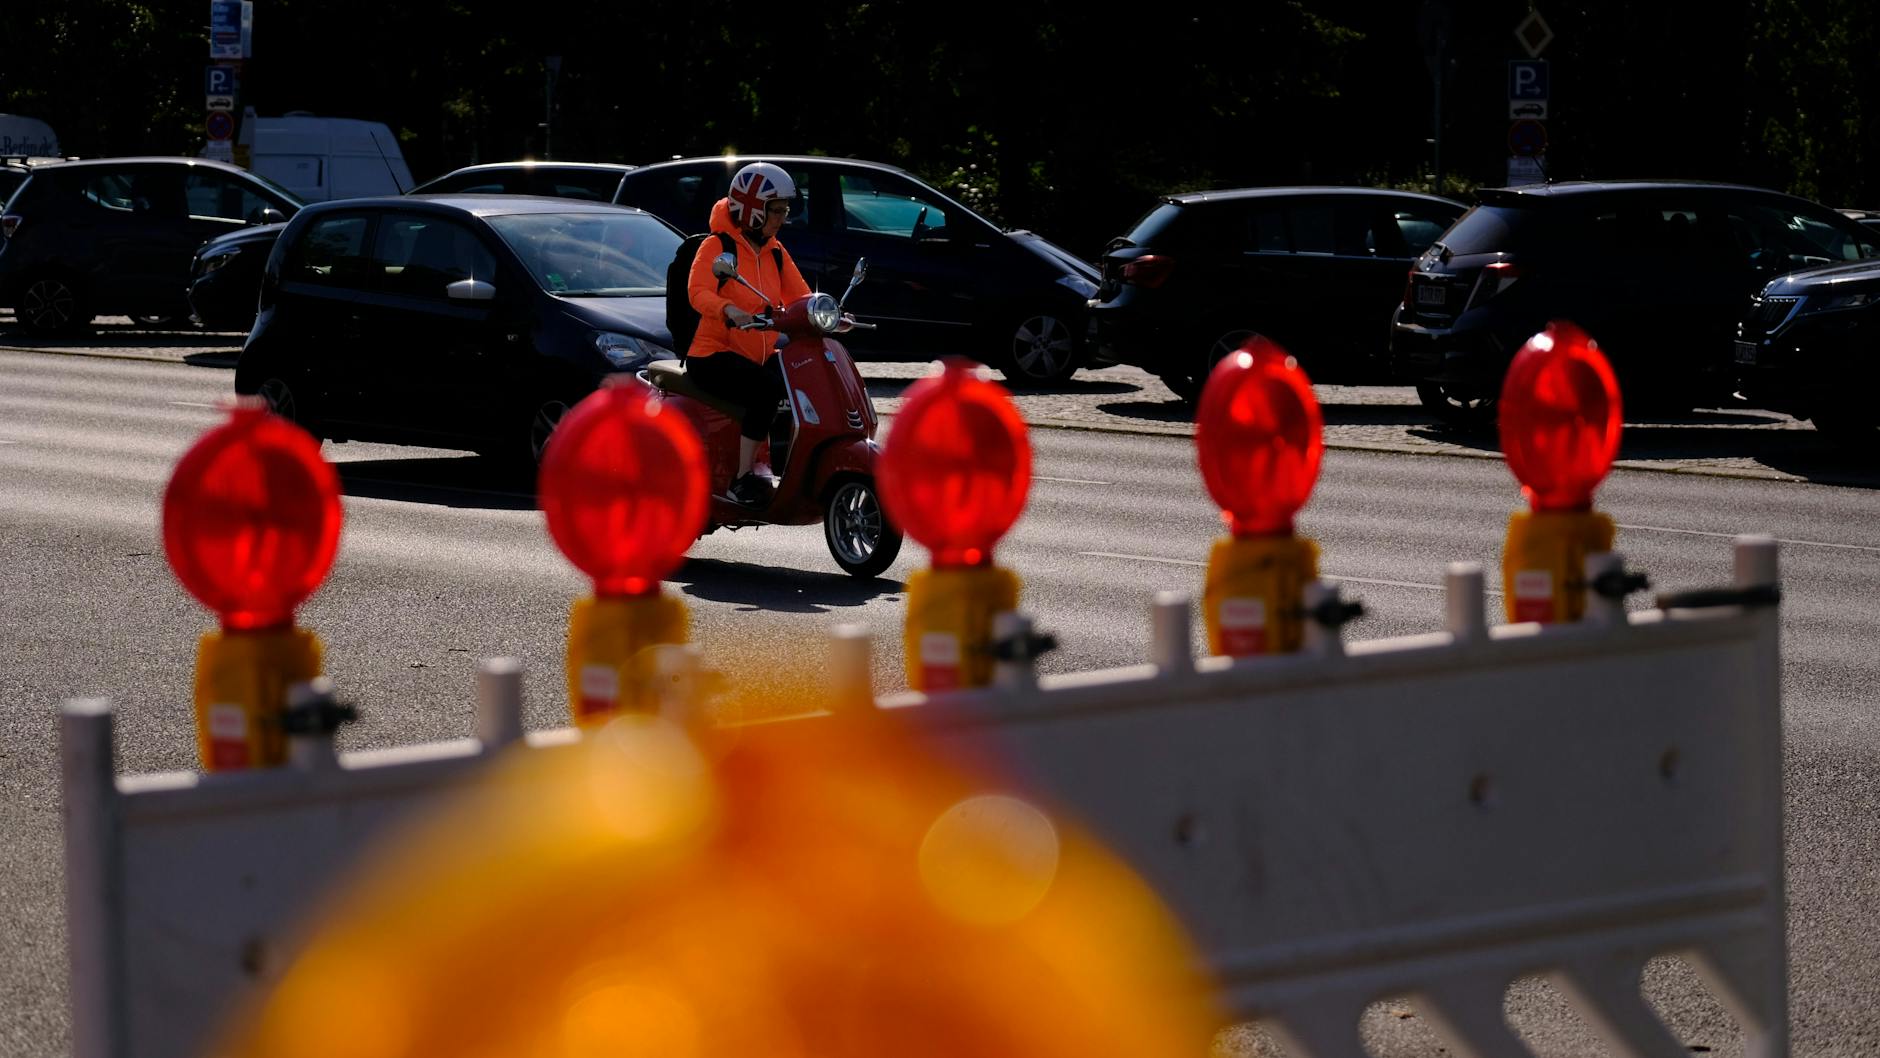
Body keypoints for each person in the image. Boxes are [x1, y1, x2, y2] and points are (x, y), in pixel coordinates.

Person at [686, 161, 812, 508]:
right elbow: (697, 291)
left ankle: (781, 467)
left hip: (757, 354)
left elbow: (799, 296)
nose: (782, 218)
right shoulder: (718, 246)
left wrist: (827, 312)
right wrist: (728, 310)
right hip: (712, 354)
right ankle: (743, 479)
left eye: (785, 210)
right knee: (766, 390)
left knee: (802, 381)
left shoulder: (775, 251)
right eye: (776, 210)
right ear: (754, 210)